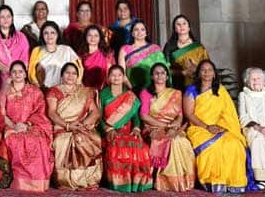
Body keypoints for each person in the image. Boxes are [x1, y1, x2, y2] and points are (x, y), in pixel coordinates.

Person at [185, 60, 249, 193]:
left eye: (210, 70)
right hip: (198, 128)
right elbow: (189, 114)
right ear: (198, 73)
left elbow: (228, 113)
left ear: (214, 74)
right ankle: (213, 180)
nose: (207, 72)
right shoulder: (192, 90)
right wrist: (207, 127)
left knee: (234, 144)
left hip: (219, 127)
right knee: (213, 147)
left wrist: (223, 127)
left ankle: (233, 181)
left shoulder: (220, 90)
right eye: (203, 70)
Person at [139, 62, 195, 192]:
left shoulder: (175, 93)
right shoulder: (146, 93)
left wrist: (174, 126)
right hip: (153, 126)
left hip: (173, 127)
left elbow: (180, 115)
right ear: (152, 76)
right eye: (156, 73)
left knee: (181, 141)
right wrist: (165, 125)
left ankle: (181, 180)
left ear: (167, 76)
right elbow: (144, 116)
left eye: (163, 73)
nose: (160, 75)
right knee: (168, 140)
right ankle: (164, 181)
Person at [0, 60, 53, 192]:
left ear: (25, 74)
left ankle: (38, 183)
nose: (17, 74)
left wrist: (27, 124)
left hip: (31, 125)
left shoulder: (35, 91)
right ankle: (21, 183)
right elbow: (1, 114)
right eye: (14, 72)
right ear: (10, 74)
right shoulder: (4, 91)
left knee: (37, 141)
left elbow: (40, 112)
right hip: (11, 126)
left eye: (20, 72)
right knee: (17, 141)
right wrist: (14, 126)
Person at [46, 62, 102, 190]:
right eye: (67, 73)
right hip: (62, 127)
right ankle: (66, 181)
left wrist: (83, 125)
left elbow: (95, 111)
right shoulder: (54, 91)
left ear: (78, 76)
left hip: (82, 126)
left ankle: (89, 179)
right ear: (62, 75)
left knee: (94, 138)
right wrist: (68, 126)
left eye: (74, 73)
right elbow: (52, 113)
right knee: (63, 142)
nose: (70, 76)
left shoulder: (84, 92)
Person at [100, 65, 153, 192]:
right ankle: (118, 184)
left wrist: (136, 129)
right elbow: (100, 116)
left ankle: (136, 184)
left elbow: (135, 116)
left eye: (119, 75)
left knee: (141, 147)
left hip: (129, 131)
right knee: (116, 146)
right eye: (113, 75)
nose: (116, 78)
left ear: (124, 77)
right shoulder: (103, 94)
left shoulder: (130, 95)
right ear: (108, 78)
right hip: (110, 131)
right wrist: (108, 129)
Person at [0, 4, 29, 97]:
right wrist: (8, 71)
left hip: (18, 78)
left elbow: (25, 60)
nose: (6, 19)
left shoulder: (21, 37)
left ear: (12, 18)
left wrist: (16, 74)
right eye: (2, 17)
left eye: (8, 16)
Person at [28, 21, 82, 90]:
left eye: (52, 33)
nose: (49, 36)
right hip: (43, 90)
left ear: (57, 34)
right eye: (46, 33)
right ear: (42, 35)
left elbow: (78, 70)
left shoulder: (67, 50)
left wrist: (74, 86)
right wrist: (39, 88)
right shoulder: (37, 51)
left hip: (65, 90)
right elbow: (31, 72)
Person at [163, 14, 210, 90]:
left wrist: (196, 68)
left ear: (188, 28)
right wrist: (183, 72)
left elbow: (207, 66)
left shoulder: (198, 47)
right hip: (177, 84)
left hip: (197, 84)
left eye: (184, 23)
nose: (181, 26)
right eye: (178, 24)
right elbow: (164, 69)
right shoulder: (169, 46)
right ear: (175, 29)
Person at [119, 20, 166, 91]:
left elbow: (163, 70)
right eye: (136, 30)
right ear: (132, 33)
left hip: (155, 89)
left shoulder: (155, 48)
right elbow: (122, 74)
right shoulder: (125, 49)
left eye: (142, 29)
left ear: (146, 33)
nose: (139, 32)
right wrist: (133, 89)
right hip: (132, 89)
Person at [80, 24, 113, 88]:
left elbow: (111, 72)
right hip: (85, 89)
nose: (93, 38)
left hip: (104, 88)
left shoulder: (107, 53)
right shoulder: (81, 55)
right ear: (85, 37)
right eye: (90, 35)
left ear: (100, 37)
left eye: (96, 35)